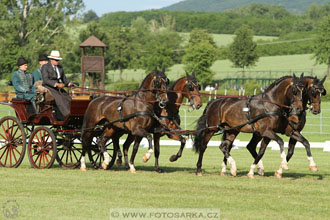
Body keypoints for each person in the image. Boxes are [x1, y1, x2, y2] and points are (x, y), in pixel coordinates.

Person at [41, 50, 76, 120]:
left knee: (67, 97)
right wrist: (56, 84)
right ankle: (67, 115)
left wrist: (70, 83)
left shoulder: (60, 68)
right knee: (59, 99)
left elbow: (64, 79)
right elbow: (45, 80)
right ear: (51, 59)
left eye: (58, 60)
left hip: (58, 87)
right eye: (56, 60)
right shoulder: (45, 67)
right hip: (49, 87)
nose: (57, 61)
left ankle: (73, 113)